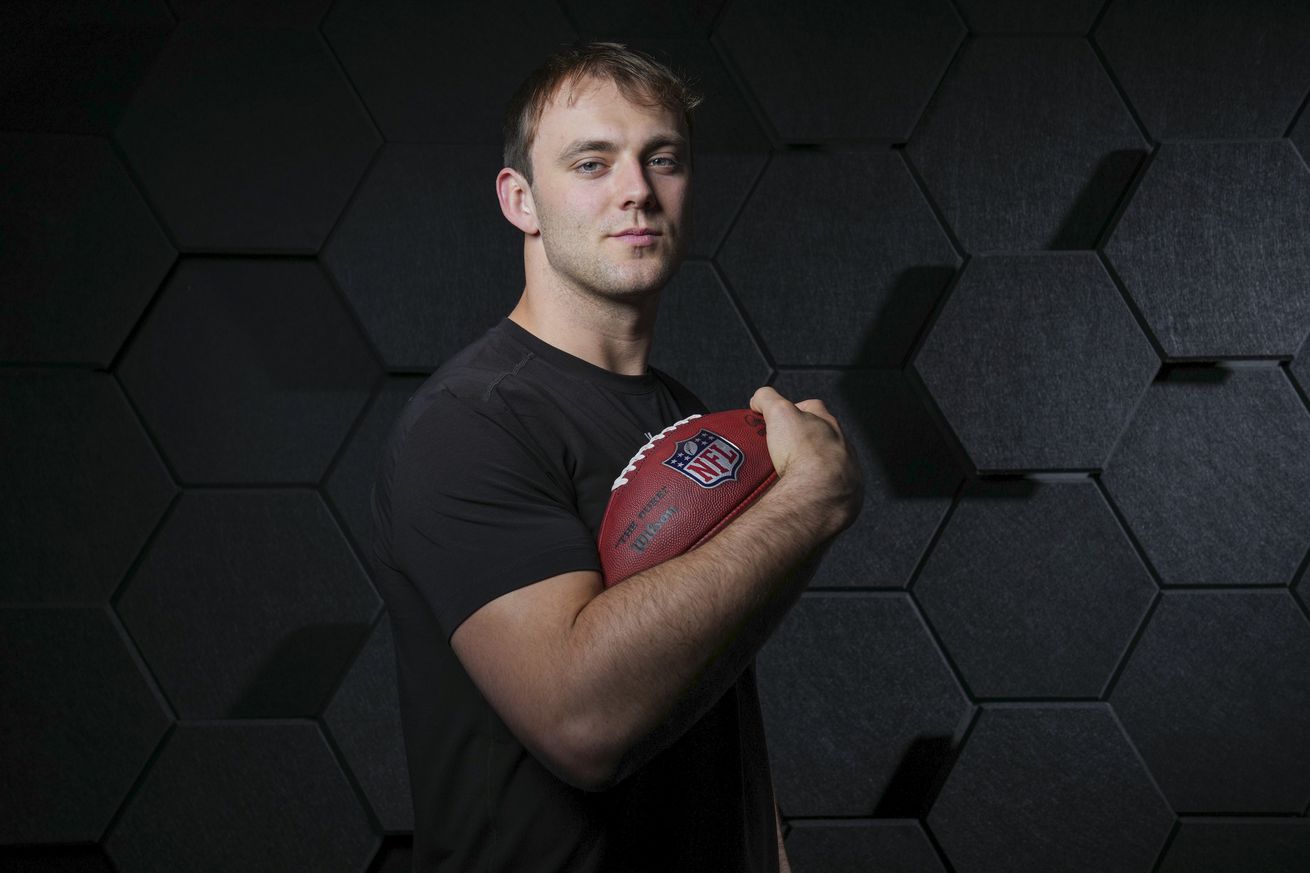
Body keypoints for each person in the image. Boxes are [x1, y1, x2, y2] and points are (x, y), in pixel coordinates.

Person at [369, 42, 862, 872]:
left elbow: (704, 669)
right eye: (592, 163)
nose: (637, 189)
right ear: (520, 199)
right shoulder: (468, 425)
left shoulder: (681, 414)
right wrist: (809, 500)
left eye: (662, 158)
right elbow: (582, 722)